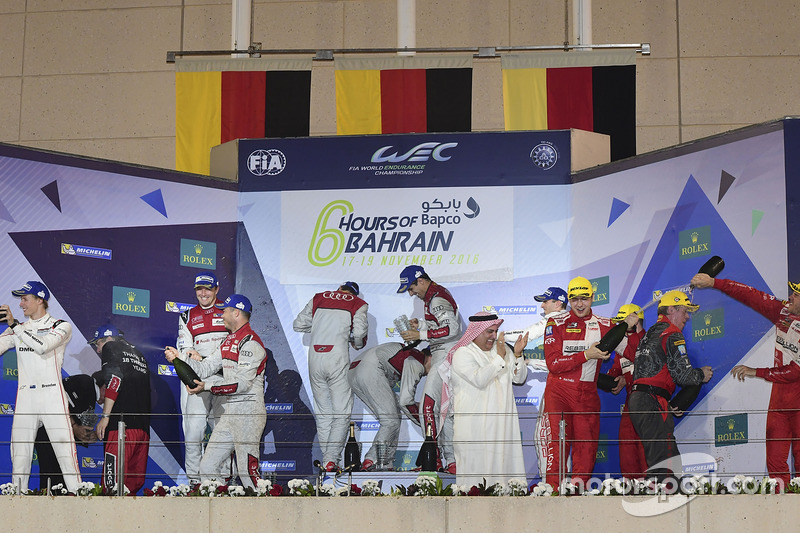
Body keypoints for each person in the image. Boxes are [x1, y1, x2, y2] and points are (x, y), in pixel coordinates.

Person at [692, 273, 800, 486]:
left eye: (796, 295)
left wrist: (755, 371)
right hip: (779, 402)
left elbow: (795, 372)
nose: (790, 297)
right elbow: (751, 295)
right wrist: (715, 282)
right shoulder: (783, 312)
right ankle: (781, 512)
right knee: (776, 466)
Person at [536, 276, 637, 489]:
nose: (580, 304)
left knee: (586, 448)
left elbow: (633, 353)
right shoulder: (556, 322)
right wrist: (586, 355)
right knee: (558, 445)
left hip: (587, 395)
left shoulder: (606, 325)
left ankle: (576, 493)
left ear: (592, 298)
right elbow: (553, 363)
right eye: (574, 299)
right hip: (559, 392)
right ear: (568, 301)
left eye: (584, 299)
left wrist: (631, 329)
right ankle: (553, 492)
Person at [169, 294, 268, 490]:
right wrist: (179, 358)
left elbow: (241, 385)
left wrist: (206, 387)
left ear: (236, 313)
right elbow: (205, 369)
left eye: (225, 311)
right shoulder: (229, 341)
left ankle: (260, 515)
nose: (221, 315)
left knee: (247, 472)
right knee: (207, 467)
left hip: (248, 413)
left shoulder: (251, 344)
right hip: (230, 414)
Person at [0, 281, 81, 493]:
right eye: (20, 299)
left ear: (40, 300)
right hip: (26, 396)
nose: (20, 304)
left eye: (25, 299)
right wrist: (14, 328)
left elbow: (42, 346)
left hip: (52, 394)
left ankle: (79, 498)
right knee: (20, 455)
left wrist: (15, 326)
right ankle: (18, 500)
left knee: (65, 452)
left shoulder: (61, 325)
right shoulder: (18, 329)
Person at [628, 290, 712, 486]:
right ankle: (658, 509)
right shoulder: (673, 333)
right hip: (652, 402)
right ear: (671, 309)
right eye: (684, 311)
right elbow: (683, 375)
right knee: (663, 467)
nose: (687, 317)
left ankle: (667, 505)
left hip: (639, 400)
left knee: (669, 463)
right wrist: (701, 375)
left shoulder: (649, 333)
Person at [293, 281, 368, 472]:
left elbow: (298, 324)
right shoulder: (358, 303)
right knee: (342, 412)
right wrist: (353, 340)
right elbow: (359, 335)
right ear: (354, 292)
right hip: (337, 358)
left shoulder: (319, 297)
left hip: (315, 359)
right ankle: (331, 459)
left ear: (339, 288)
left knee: (323, 413)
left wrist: (320, 327)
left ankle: (328, 463)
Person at [448, 311, 528, 487]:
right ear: (476, 332)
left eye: (496, 331)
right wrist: (499, 358)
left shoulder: (503, 350)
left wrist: (518, 355)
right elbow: (480, 379)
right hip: (474, 429)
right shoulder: (463, 353)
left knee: (505, 476)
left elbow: (519, 379)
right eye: (489, 331)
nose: (494, 336)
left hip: (502, 427)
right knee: (476, 479)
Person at [397, 265, 460, 473]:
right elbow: (443, 324)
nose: (411, 293)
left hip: (446, 355)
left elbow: (452, 329)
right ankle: (446, 461)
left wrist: (420, 336)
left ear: (421, 281)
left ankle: (437, 461)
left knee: (429, 407)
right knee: (440, 409)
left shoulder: (437, 298)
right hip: (443, 354)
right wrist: (423, 326)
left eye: (412, 288)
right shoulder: (433, 296)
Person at [174, 272, 228, 483]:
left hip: (222, 377)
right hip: (195, 378)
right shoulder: (187, 315)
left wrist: (207, 357)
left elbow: (235, 342)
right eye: (199, 289)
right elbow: (184, 345)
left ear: (217, 289)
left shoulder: (228, 311)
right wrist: (189, 352)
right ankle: (195, 480)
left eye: (207, 288)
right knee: (193, 431)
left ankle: (223, 480)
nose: (203, 293)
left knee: (222, 431)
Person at [348, 342, 431, 471]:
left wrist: (417, 409)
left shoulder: (412, 356)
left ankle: (386, 464)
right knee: (390, 420)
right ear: (431, 356)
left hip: (354, 371)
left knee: (394, 418)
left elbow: (402, 402)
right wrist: (427, 423)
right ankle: (371, 460)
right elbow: (406, 400)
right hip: (370, 369)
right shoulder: (417, 361)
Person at [91, 324, 151, 494]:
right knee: (131, 487)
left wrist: (105, 416)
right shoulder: (138, 354)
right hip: (143, 429)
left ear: (109, 339)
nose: (97, 349)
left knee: (111, 485)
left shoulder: (111, 347)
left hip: (121, 428)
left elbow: (114, 379)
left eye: (98, 343)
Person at [34, 374, 98, 490]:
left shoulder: (91, 396)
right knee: (50, 473)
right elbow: (57, 393)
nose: (106, 401)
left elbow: (79, 426)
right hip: (46, 429)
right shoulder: (86, 381)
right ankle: (46, 504)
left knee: (62, 478)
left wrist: (87, 436)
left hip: (60, 435)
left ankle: (58, 504)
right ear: (104, 386)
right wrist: (74, 426)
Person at [606, 303, 648, 480]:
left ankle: (655, 489)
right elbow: (613, 375)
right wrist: (617, 380)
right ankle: (632, 490)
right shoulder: (620, 349)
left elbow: (640, 356)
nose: (620, 329)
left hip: (650, 401)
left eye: (624, 325)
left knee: (647, 449)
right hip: (631, 402)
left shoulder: (649, 341)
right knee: (627, 447)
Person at [505, 286, 569, 372]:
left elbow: (525, 335)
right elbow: (562, 363)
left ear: (558, 304)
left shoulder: (553, 320)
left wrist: (499, 335)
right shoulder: (569, 320)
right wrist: (531, 362)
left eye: (545, 302)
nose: (542, 305)